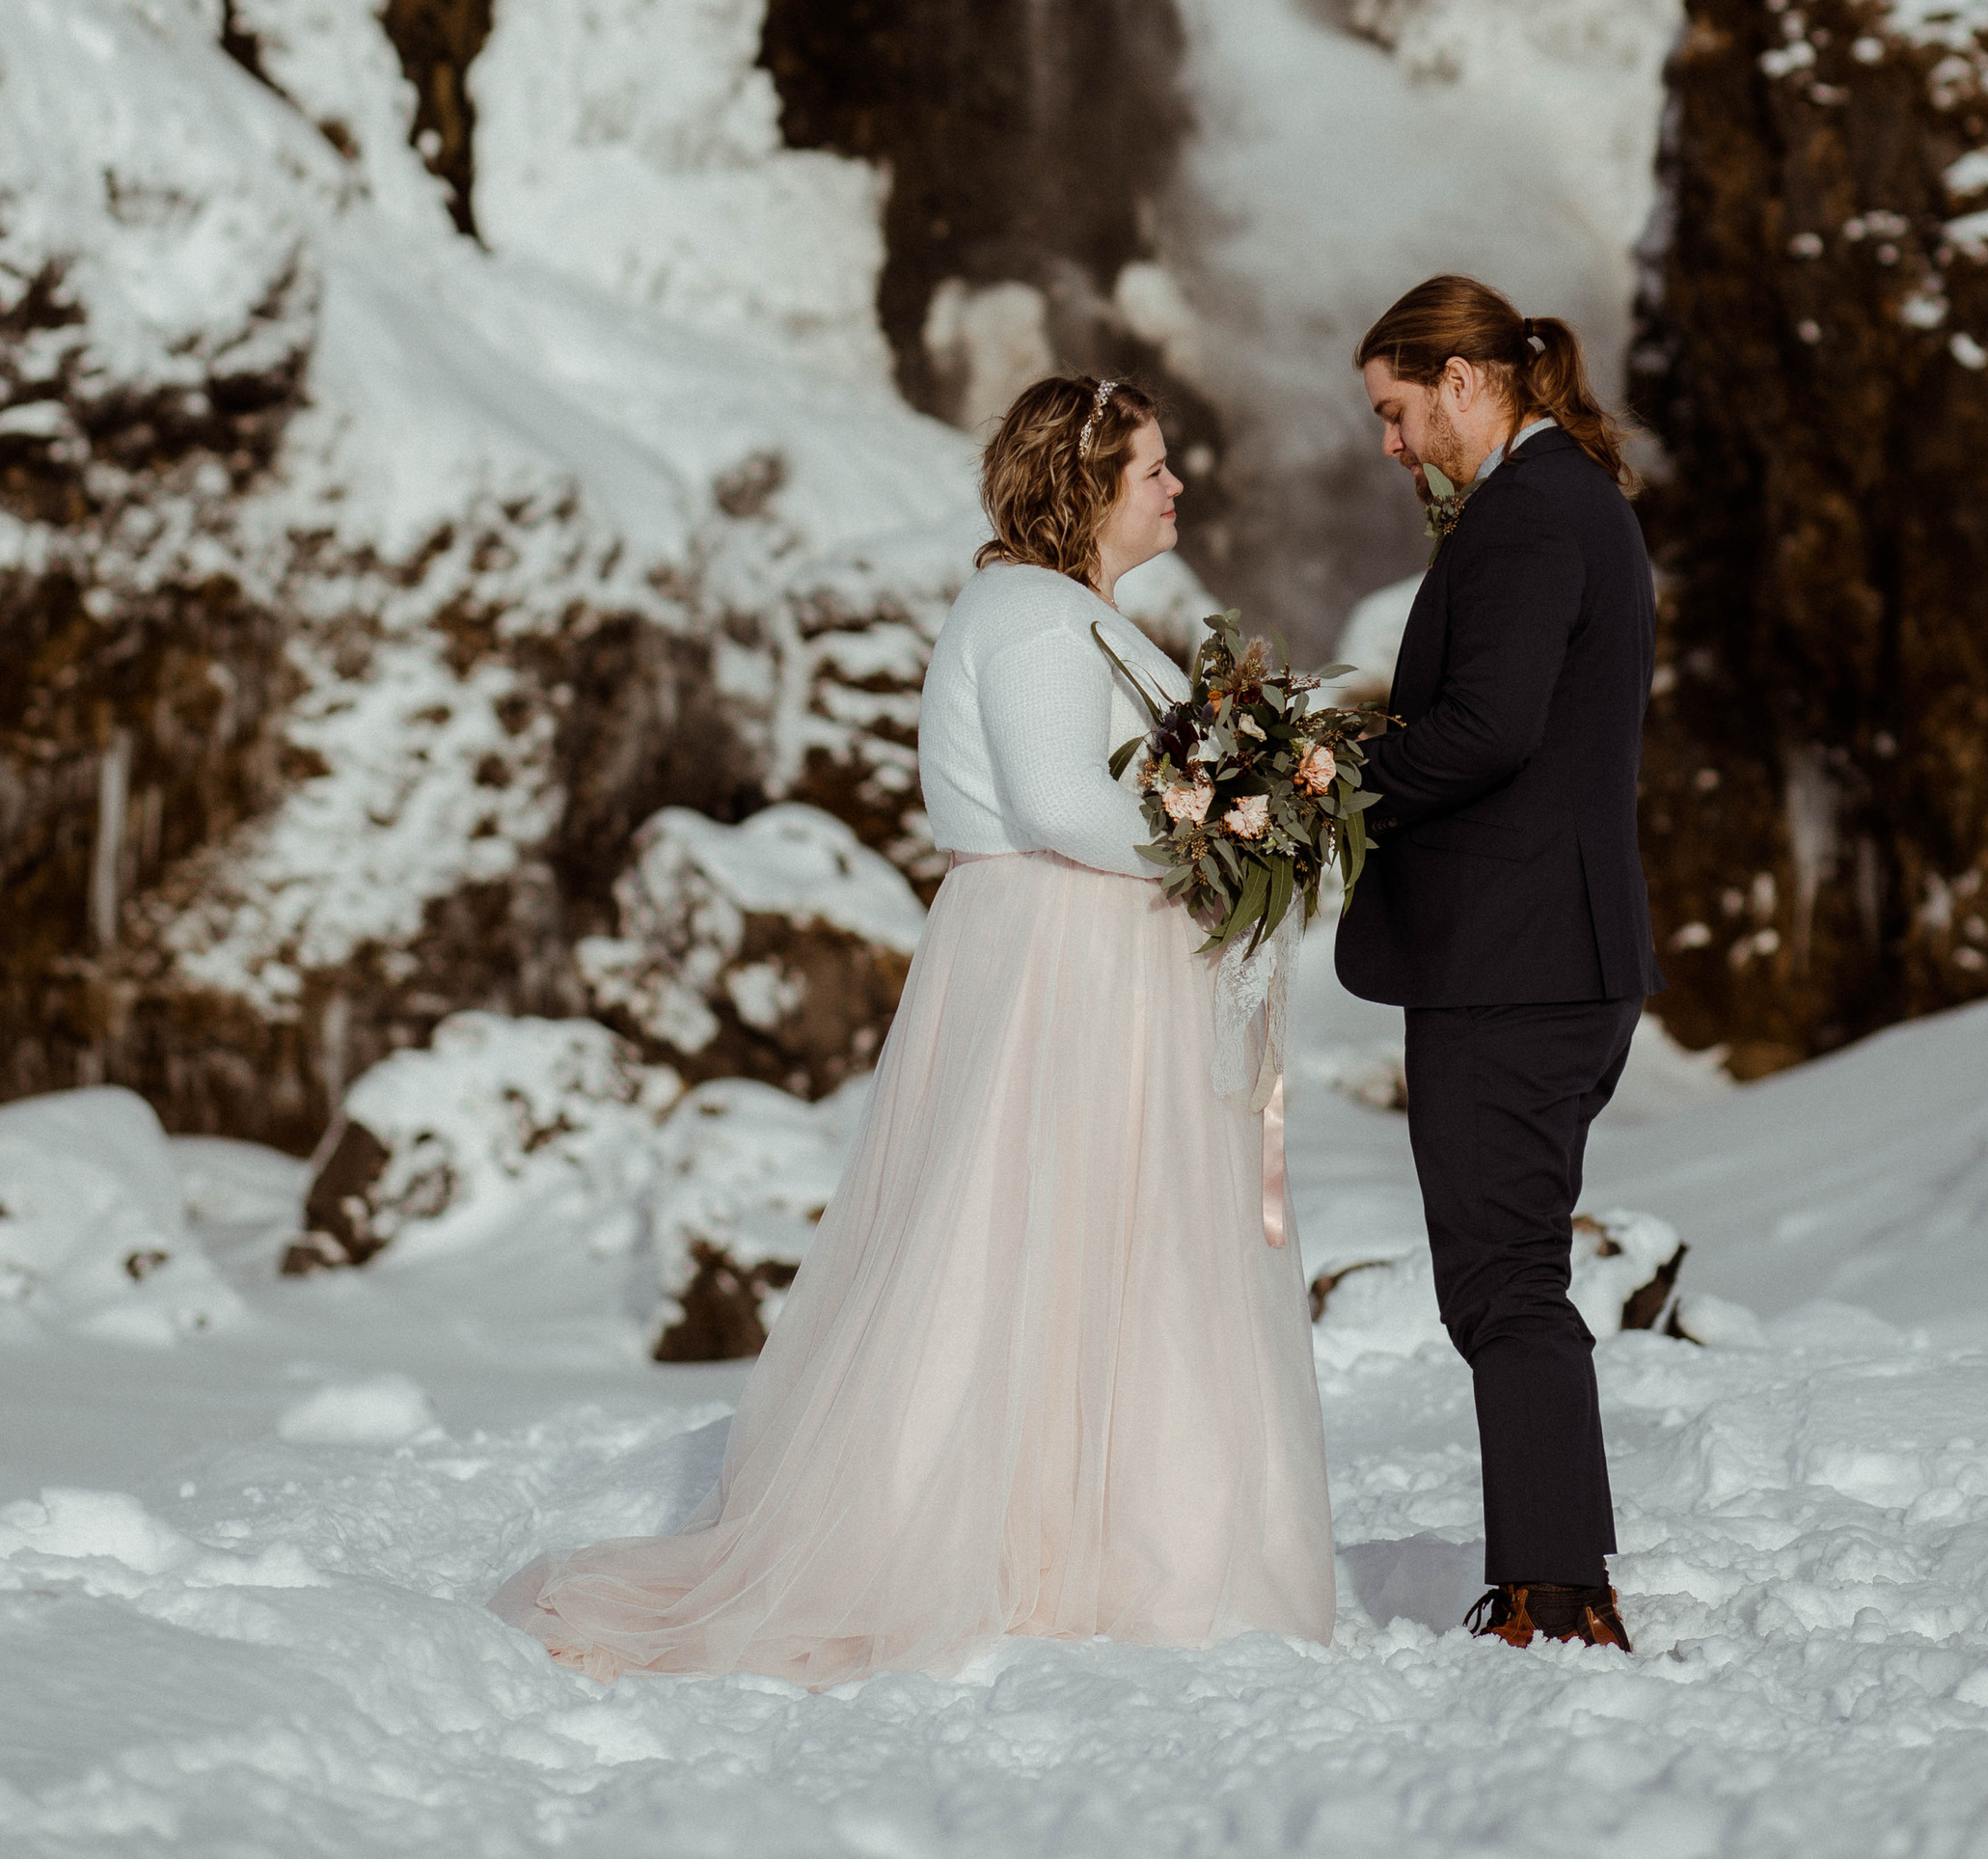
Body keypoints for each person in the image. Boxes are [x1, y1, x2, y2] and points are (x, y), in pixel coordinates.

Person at [492, 372, 1335, 1687]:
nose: (1178, 488)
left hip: (1077, 958)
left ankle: (1092, 1540)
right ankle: (1018, 1548)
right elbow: (1063, 801)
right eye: (1152, 469)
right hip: (1066, 967)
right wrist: (1227, 835)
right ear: (1085, 490)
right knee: (1039, 1243)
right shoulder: (1040, 620)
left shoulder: (1062, 612)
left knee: (1084, 1245)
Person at [1336, 274, 1659, 1654]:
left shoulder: (1530, 514)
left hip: (1512, 965)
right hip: (1551, 952)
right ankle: (1552, 1573)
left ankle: (1553, 1592)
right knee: (1512, 1275)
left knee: (1505, 1284)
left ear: (1467, 382)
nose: (1393, 446)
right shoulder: (1573, 498)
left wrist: (1331, 776)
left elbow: (1487, 729)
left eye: (1397, 412)